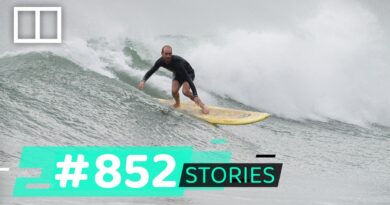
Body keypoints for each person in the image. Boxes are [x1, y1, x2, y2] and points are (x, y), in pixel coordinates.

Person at [138, 45, 209, 114]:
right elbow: (151, 71)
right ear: (162, 54)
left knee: (185, 91)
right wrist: (143, 80)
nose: (168, 56)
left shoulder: (178, 63)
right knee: (174, 91)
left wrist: (195, 94)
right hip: (177, 74)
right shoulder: (160, 62)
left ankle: (202, 105)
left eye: (170, 54)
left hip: (189, 74)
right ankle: (177, 103)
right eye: (166, 54)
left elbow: (188, 78)